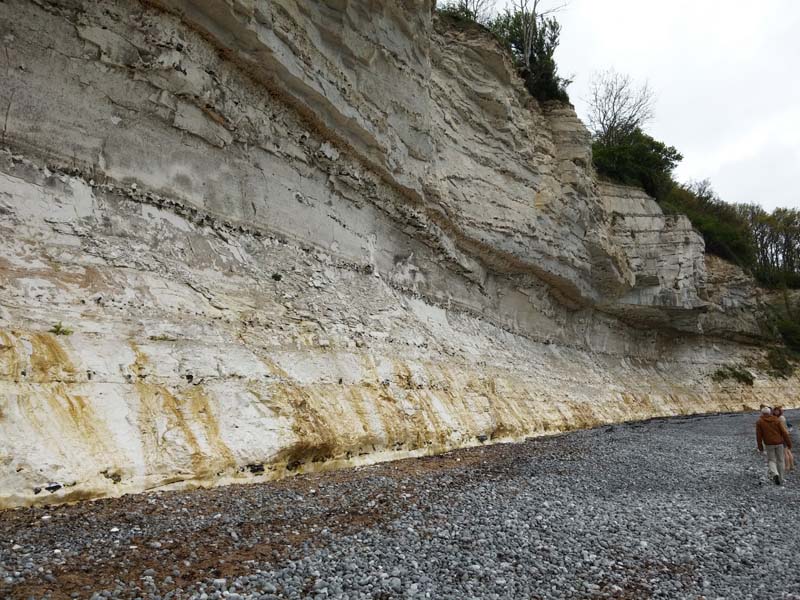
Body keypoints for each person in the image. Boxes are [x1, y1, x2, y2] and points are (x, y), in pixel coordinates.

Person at [757, 406, 793, 485]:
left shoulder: (760, 422)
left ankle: (775, 473)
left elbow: (759, 436)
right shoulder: (776, 420)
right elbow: (784, 432)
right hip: (779, 443)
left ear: (762, 413)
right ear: (770, 412)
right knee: (781, 460)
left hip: (769, 444)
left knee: (771, 460)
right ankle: (781, 478)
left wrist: (760, 447)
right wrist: (789, 443)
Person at [772, 406, 794, 472]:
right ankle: (792, 466)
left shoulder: (780, 418)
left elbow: (781, 428)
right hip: (785, 435)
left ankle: (787, 466)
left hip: (783, 436)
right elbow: (789, 426)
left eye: (777, 411)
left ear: (780, 411)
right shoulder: (781, 417)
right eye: (775, 411)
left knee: (785, 452)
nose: (776, 412)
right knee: (788, 451)